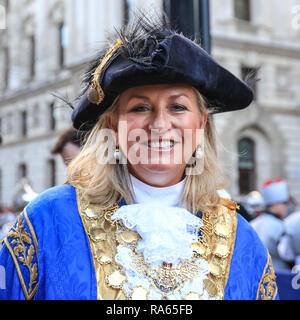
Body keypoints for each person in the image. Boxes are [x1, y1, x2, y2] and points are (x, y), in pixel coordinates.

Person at [0, 12, 278, 300]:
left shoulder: (243, 242)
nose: (159, 125)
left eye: (178, 107)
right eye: (140, 108)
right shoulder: (47, 222)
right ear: (113, 126)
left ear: (201, 123)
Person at [251, 179, 290, 271]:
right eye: (284, 203)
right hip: (279, 276)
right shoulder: (281, 226)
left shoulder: (252, 224)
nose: (287, 207)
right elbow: (288, 255)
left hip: (254, 275)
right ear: (275, 205)